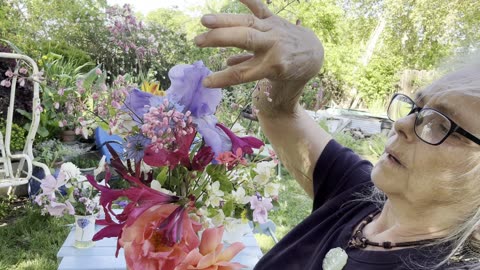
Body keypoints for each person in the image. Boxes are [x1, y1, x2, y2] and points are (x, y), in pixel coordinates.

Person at [194, 0, 480, 269]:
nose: (403, 124)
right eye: (416, 107)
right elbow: (277, 113)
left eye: (442, 125)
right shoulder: (358, 193)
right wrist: (294, 73)